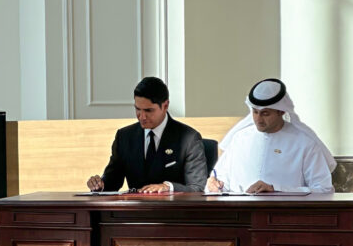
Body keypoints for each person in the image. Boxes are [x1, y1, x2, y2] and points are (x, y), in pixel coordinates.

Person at [206, 78, 334, 194]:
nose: (258, 119)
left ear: (281, 111)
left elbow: (324, 189)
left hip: (285, 211)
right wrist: (215, 185)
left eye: (265, 114)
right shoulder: (240, 139)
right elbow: (221, 181)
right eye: (255, 112)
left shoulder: (304, 143)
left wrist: (276, 188)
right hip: (240, 209)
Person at [87, 76, 208, 194]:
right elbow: (113, 180)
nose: (142, 116)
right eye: (138, 109)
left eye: (148, 110)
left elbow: (197, 188)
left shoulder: (189, 139)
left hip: (172, 207)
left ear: (165, 106)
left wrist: (169, 187)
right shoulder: (124, 137)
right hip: (135, 207)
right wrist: (100, 185)